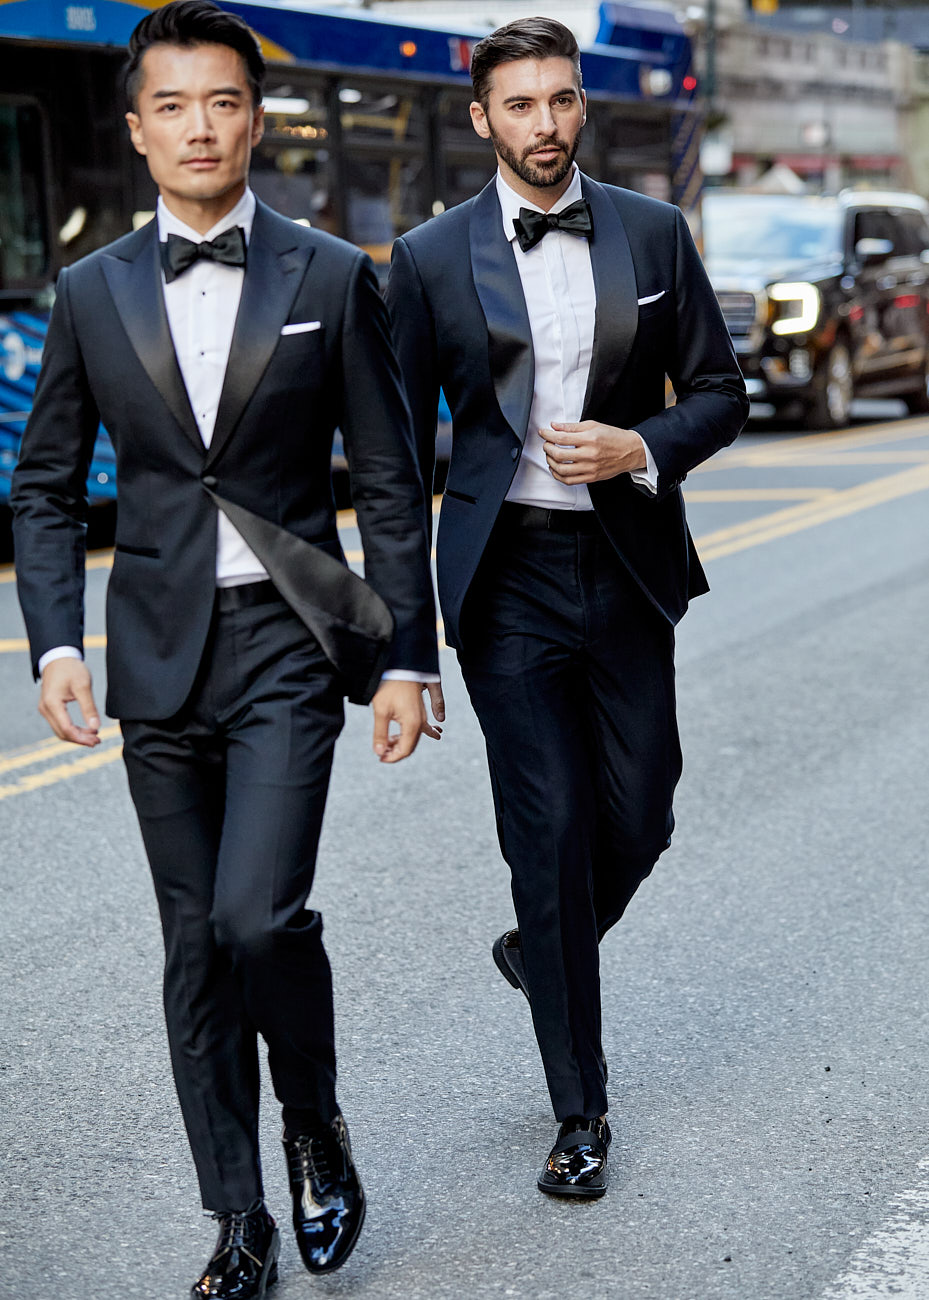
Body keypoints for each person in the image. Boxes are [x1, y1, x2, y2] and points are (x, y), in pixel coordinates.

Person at [11, 3, 442, 1295]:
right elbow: (41, 487)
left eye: (225, 102)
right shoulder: (88, 291)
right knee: (192, 944)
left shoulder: (327, 275)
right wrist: (54, 646)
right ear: (138, 131)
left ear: (258, 119)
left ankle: (313, 1118)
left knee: (258, 919)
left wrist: (409, 658)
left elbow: (384, 473)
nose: (202, 126)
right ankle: (237, 1218)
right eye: (174, 106)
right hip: (153, 652)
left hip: (286, 646)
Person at [386, 16, 748, 1199]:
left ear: (579, 106)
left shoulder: (651, 230)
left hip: (626, 564)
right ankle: (579, 1109)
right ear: (480, 117)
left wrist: (634, 444)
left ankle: (538, 948)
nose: (545, 125)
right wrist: (401, 640)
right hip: (505, 583)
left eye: (562, 101)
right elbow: (393, 456)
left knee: (638, 815)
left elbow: (719, 394)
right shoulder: (428, 259)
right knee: (543, 841)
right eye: (521, 105)